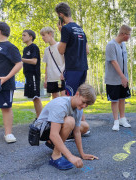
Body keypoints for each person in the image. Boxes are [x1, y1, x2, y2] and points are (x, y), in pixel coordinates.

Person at [33, 83, 98, 170]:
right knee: (70, 121)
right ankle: (55, 156)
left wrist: (82, 153)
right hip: (41, 131)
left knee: (84, 126)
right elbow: (53, 134)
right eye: (83, 102)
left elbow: (77, 131)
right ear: (77, 94)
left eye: (87, 105)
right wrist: (70, 156)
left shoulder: (79, 109)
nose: (84, 106)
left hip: (53, 128)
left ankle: (53, 143)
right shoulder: (61, 105)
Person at [55, 2, 90, 134]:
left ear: (61, 15)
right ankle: (82, 126)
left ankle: (71, 130)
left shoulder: (66, 29)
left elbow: (61, 50)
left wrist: (61, 33)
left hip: (73, 68)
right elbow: (87, 51)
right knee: (80, 96)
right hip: (82, 67)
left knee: (71, 98)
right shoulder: (80, 28)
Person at [0, 22, 23, 146]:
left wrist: (6, 77)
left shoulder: (10, 47)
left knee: (6, 108)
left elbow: (19, 63)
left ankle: (8, 133)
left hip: (4, 84)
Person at [105, 25, 132, 131]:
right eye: (128, 35)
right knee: (115, 100)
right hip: (113, 79)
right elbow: (114, 62)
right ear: (123, 34)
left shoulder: (123, 45)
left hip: (123, 78)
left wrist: (125, 77)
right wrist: (122, 77)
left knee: (122, 98)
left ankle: (122, 119)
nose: (129, 37)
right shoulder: (111, 45)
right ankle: (116, 121)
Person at [22, 29, 43, 118]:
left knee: (36, 97)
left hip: (34, 75)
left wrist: (20, 59)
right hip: (28, 76)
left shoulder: (34, 47)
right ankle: (38, 117)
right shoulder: (25, 49)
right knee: (33, 98)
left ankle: (41, 119)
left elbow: (34, 61)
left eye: (24, 35)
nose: (22, 37)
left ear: (30, 37)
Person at [40, 27, 65, 99]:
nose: (42, 38)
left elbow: (66, 61)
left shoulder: (60, 45)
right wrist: (45, 80)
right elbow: (47, 65)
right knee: (55, 100)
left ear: (50, 34)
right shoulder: (46, 50)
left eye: (43, 35)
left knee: (64, 98)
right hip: (51, 79)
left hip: (61, 77)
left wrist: (64, 72)